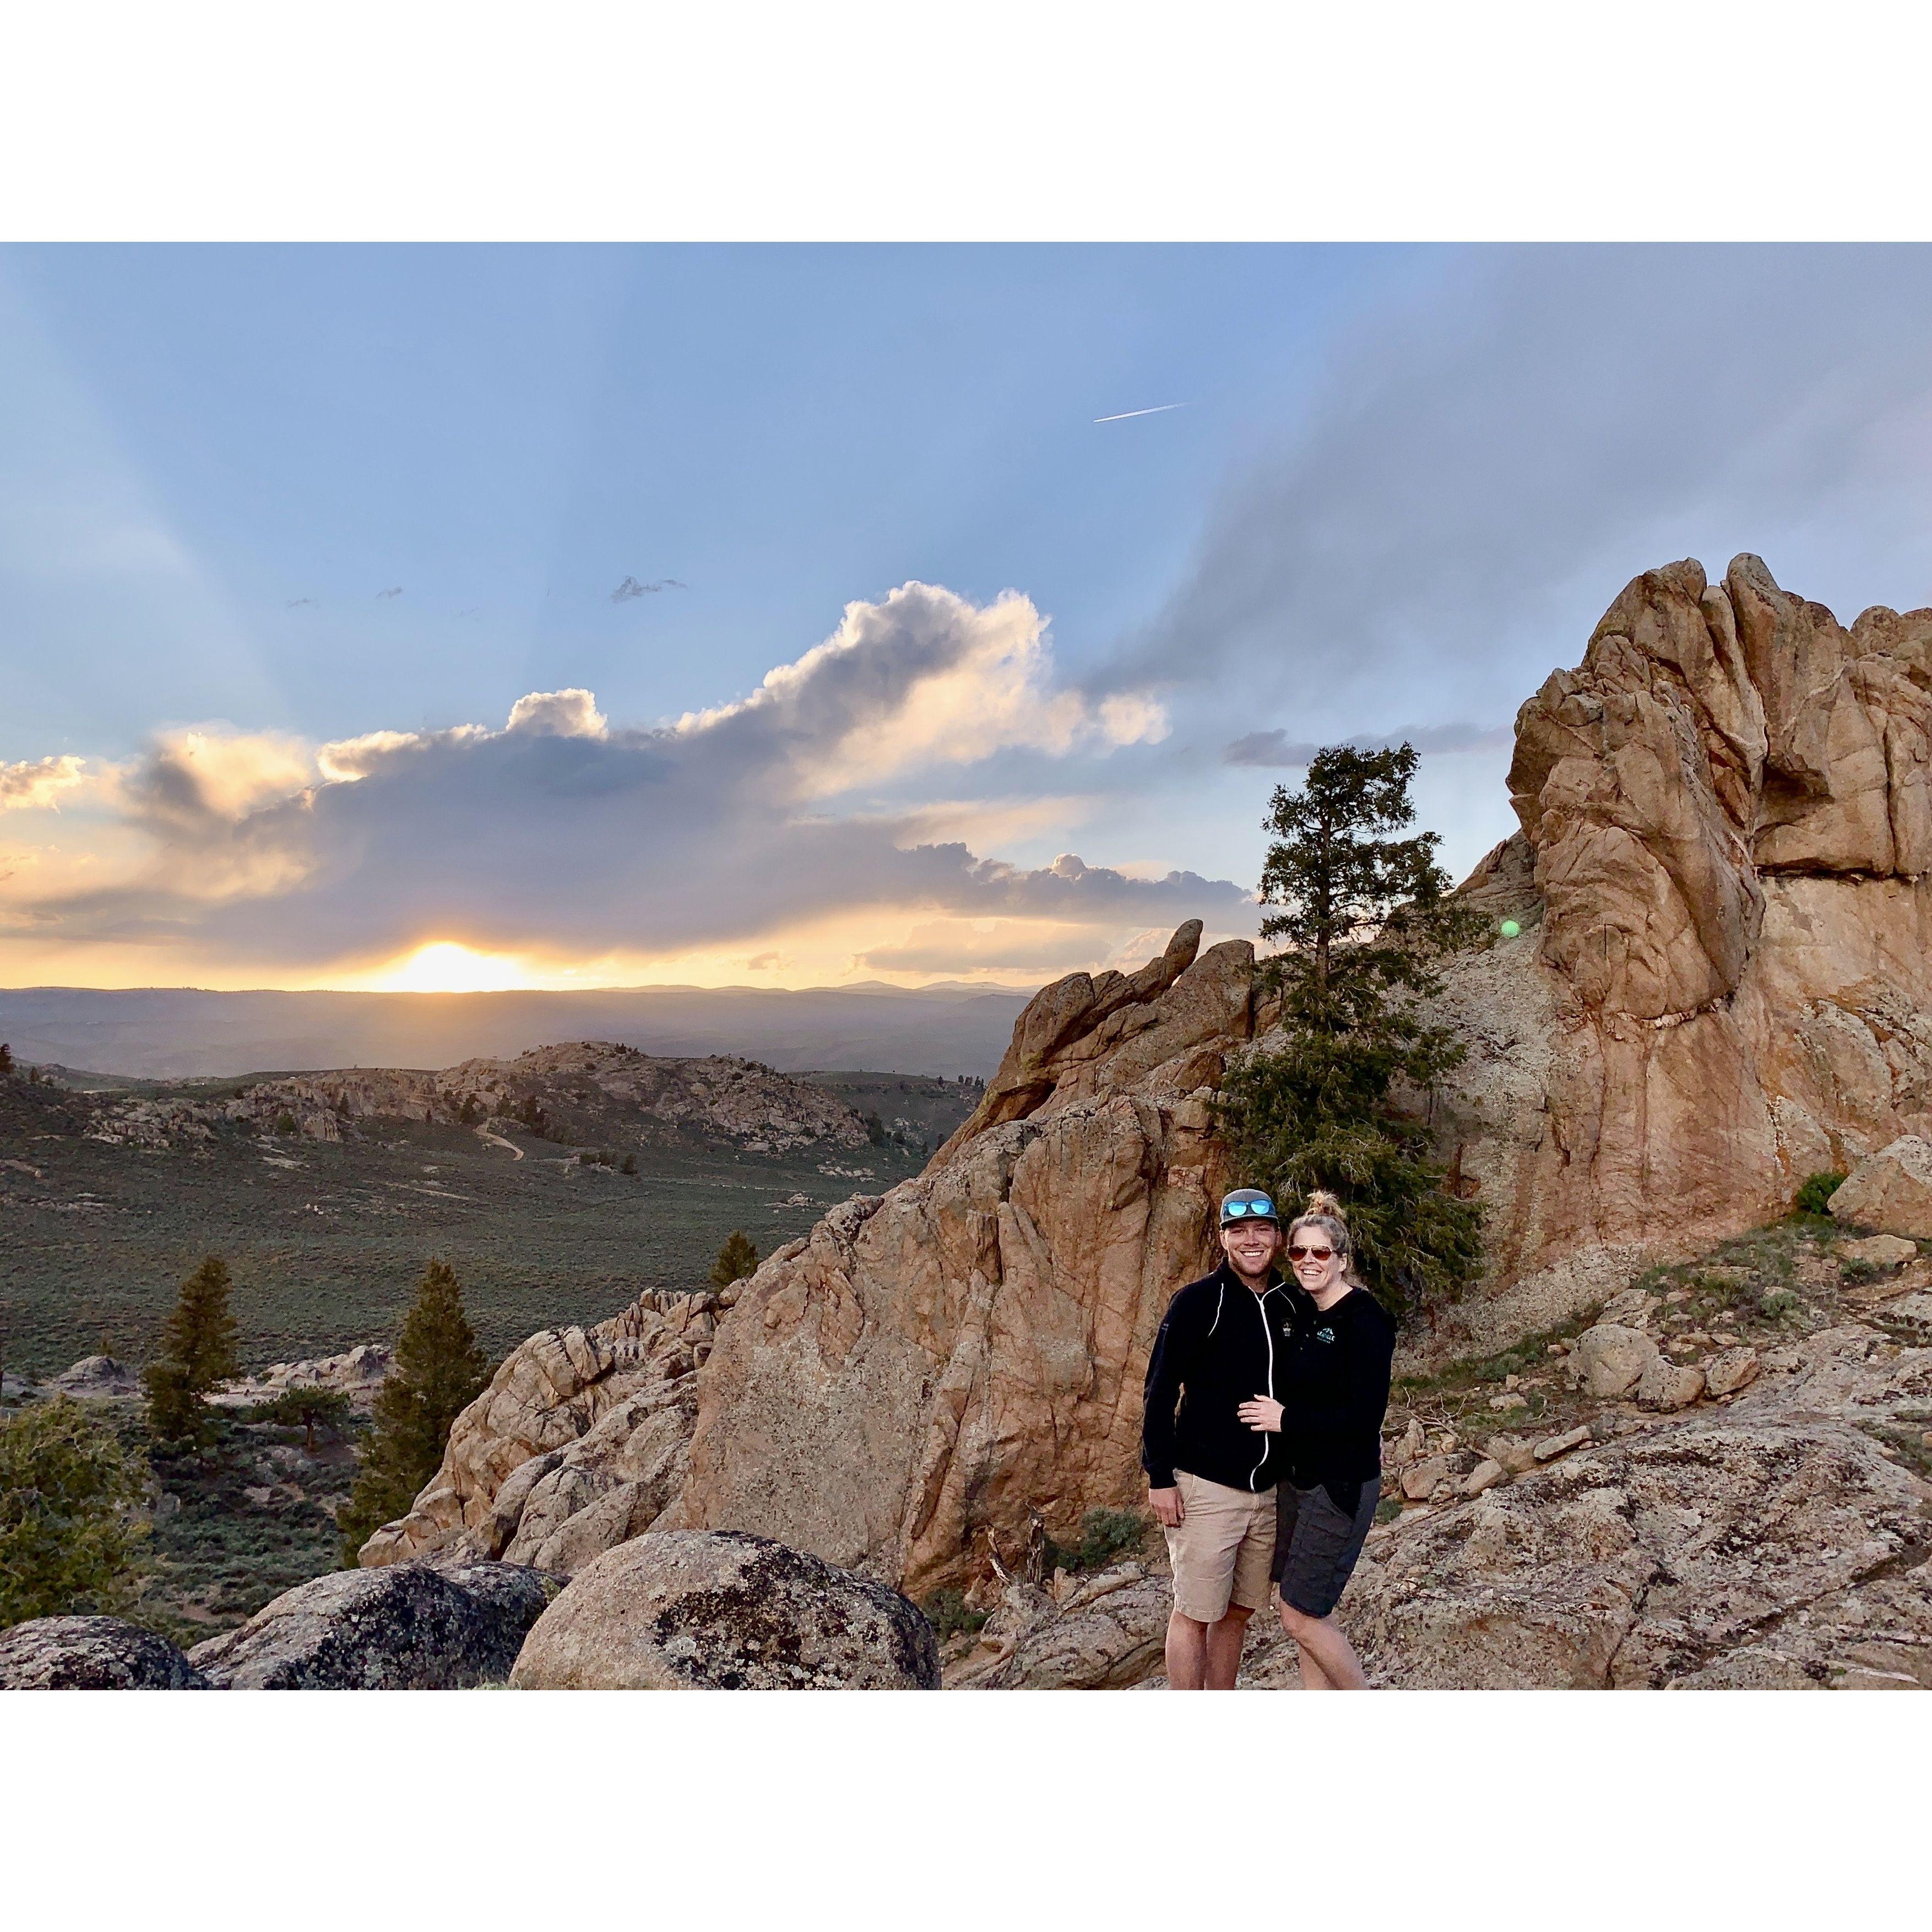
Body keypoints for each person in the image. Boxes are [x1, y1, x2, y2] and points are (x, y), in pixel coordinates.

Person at [1237, 1190, 1394, 1690]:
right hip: (1299, 1482)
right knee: (1309, 1611)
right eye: (1299, 1252)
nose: (1308, 1262)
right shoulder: (1303, 1313)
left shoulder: (1366, 1321)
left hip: (1340, 1485)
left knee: (1298, 1615)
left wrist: (1287, 1420)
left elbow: (1362, 1419)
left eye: (1321, 1253)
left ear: (1342, 1260)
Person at [1141, 1186, 1294, 1689]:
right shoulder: (1199, 1301)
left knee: (1238, 1612)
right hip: (1206, 1489)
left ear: (1277, 1236)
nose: (1252, 1241)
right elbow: (1159, 1391)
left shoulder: (1289, 1304)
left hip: (1266, 1493)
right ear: (1224, 1238)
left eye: (1262, 1230)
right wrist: (1159, 1477)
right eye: (1239, 1231)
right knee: (1194, 1613)